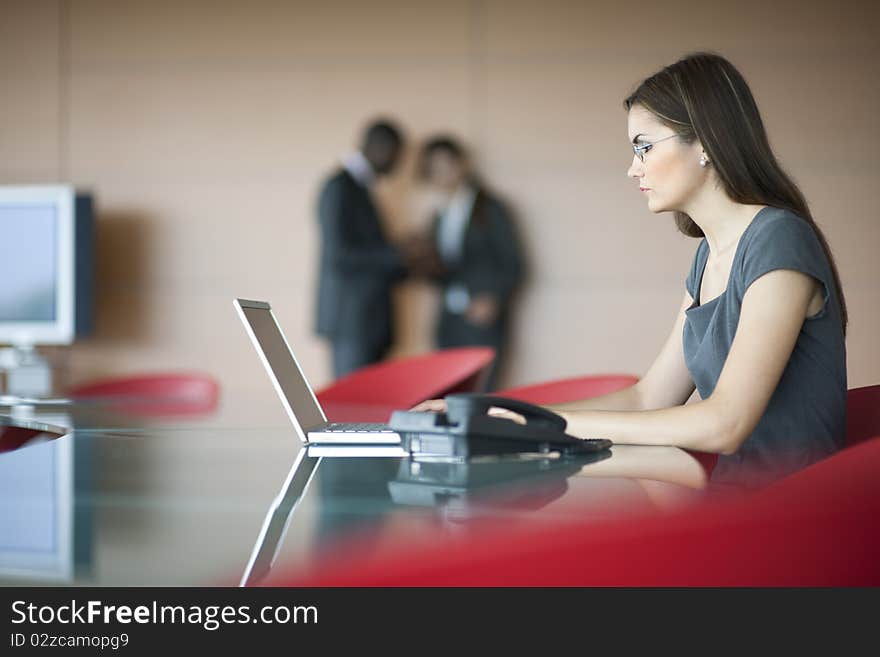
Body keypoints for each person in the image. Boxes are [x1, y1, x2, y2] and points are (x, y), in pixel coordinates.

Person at [415, 53, 848, 490]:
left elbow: (726, 422)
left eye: (644, 146)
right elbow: (648, 397)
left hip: (791, 517)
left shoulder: (778, 238)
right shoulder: (710, 254)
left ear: (704, 143)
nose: (633, 167)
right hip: (734, 508)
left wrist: (543, 425)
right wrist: (501, 413)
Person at [315, 119, 431, 378]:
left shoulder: (360, 188)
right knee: (351, 410)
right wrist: (400, 253)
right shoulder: (340, 188)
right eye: (399, 156)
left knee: (367, 409)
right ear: (383, 148)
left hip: (367, 320)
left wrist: (405, 257)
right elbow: (339, 255)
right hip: (353, 320)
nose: (399, 165)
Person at [417, 136, 525, 390]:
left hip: (482, 318)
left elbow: (514, 262)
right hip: (449, 319)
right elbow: (444, 270)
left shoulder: (490, 207)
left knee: (480, 398)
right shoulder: (438, 214)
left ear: (461, 164)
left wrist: (494, 298)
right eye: (434, 169)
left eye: (446, 165)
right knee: (447, 395)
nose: (441, 174)